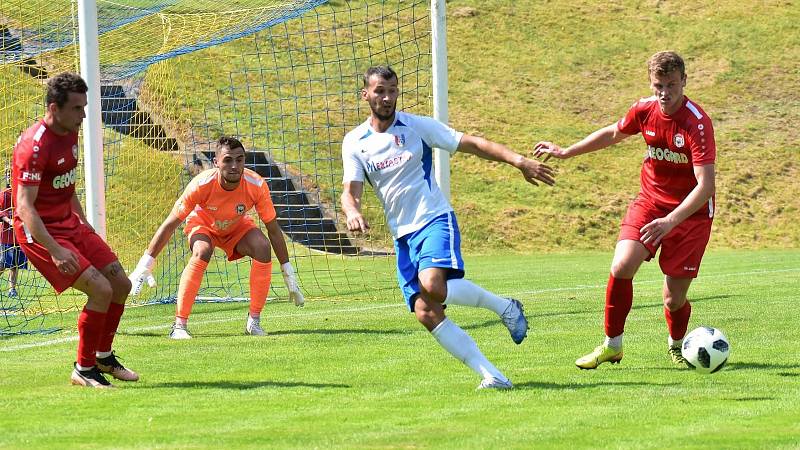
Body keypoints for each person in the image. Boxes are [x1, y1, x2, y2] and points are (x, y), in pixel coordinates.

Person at [340, 66, 555, 389]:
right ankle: (492, 375)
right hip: (403, 235)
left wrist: (519, 161)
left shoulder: (417, 127)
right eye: (380, 90)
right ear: (365, 94)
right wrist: (352, 212)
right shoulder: (355, 142)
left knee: (433, 286)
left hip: (433, 219)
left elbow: (473, 144)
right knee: (426, 312)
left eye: (393, 90)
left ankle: (503, 307)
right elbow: (349, 192)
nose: (387, 97)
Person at [534, 51, 716, 369]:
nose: (665, 92)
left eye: (672, 84)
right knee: (621, 266)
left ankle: (676, 346)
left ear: (684, 81)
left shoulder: (696, 124)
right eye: (659, 85)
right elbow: (613, 133)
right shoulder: (644, 110)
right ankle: (611, 346)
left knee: (673, 299)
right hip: (650, 203)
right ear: (651, 83)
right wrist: (566, 152)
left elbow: (705, 186)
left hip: (691, 214)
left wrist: (670, 222)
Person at [12, 72, 138, 388]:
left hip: (70, 223)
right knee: (101, 290)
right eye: (78, 108)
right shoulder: (34, 147)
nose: (84, 115)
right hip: (40, 232)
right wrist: (55, 250)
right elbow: (25, 208)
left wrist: (82, 222)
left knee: (121, 284)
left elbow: (65, 184)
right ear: (54, 108)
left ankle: (103, 356)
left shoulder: (70, 131)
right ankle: (83, 369)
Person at [129, 136, 304, 339]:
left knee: (262, 246)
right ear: (216, 162)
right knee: (202, 251)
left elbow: (273, 229)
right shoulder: (201, 185)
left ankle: (254, 322)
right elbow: (170, 224)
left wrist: (288, 272)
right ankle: (179, 326)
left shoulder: (256, 184)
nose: (234, 166)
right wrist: (145, 264)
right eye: (228, 160)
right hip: (204, 225)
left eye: (239, 160)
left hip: (236, 227)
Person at [0, 179, 27, 298]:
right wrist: (9, 221)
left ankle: (12, 289)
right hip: (7, 236)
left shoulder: (23, 193)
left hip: (20, 236)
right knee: (3, 263)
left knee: (14, 265)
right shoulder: (4, 194)